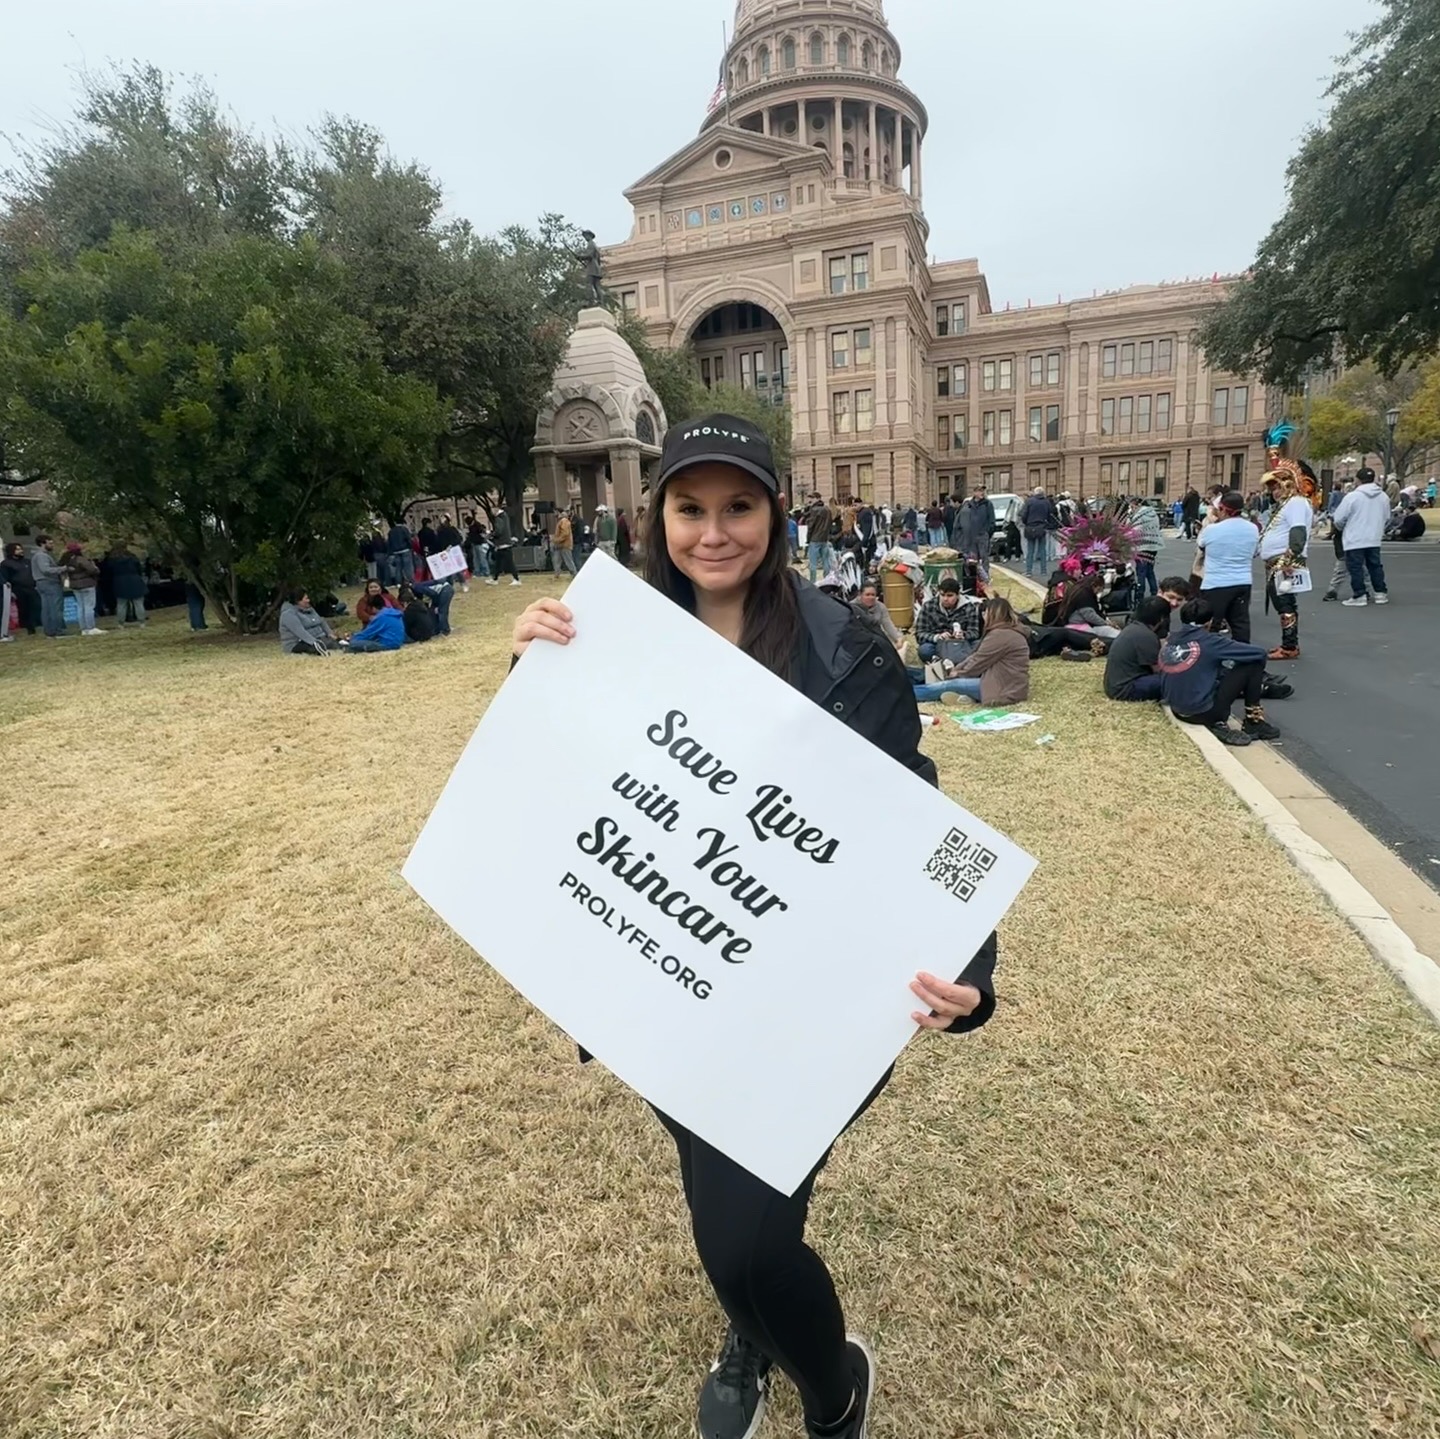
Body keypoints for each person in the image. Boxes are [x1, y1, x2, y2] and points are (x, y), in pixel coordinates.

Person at [511, 412, 997, 1439]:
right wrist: (531, 675)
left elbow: (918, 820)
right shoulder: (611, 634)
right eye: (690, 507)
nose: (713, 532)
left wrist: (975, 969)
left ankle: (833, 1393)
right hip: (668, 972)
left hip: (809, 995)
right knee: (719, 1202)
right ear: (658, 517)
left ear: (776, 514)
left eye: (739, 506)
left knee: (743, 1239)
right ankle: (752, 1327)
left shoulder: (844, 644)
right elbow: (557, 782)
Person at [1158, 597, 1280, 747]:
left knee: (1213, 665)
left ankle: (1260, 692)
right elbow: (1259, 653)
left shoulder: (1171, 639)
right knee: (1252, 663)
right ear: (1209, 622)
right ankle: (1254, 721)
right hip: (1202, 712)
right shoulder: (1211, 641)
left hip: (1177, 708)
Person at [1259, 461, 1318, 659]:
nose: (1274, 492)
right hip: (1277, 561)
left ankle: (1290, 646)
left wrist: (1289, 558)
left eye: (1276, 487)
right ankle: (1289, 644)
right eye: (1272, 488)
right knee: (1283, 602)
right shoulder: (1288, 505)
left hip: (1284, 561)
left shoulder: (1296, 503)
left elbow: (1298, 530)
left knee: (1285, 603)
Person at [926, 596, 1030, 706]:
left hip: (1002, 688)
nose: (983, 615)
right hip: (1005, 683)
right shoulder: (1007, 631)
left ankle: (912, 694)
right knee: (949, 682)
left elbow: (978, 662)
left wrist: (958, 674)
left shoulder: (1000, 635)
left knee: (947, 685)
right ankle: (965, 698)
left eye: (986, 612)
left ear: (994, 614)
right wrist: (958, 669)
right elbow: (976, 656)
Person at [1196, 492, 1258, 641]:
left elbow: (1201, 546)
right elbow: (1255, 552)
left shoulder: (1212, 530)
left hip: (1216, 582)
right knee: (1240, 622)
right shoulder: (1252, 528)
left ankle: (1210, 654)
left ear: (1223, 509)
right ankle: (1241, 655)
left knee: (1211, 623)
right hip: (1242, 581)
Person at [1332, 470, 1391, 606]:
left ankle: (1360, 594)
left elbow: (1339, 518)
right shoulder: (1383, 496)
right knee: (1375, 566)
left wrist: (1342, 528)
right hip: (1374, 537)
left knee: (1355, 567)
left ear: (1358, 480)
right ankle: (1380, 593)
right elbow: (1387, 517)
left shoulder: (1352, 497)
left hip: (1355, 537)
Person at [1103, 597, 1172, 701]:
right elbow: (1158, 669)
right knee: (1173, 680)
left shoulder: (1133, 629)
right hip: (1126, 689)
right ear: (1162, 618)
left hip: (1115, 686)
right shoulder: (1146, 636)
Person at [914, 576, 980, 662]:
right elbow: (919, 634)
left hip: (961, 644)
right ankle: (942, 662)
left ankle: (959, 660)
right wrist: (936, 637)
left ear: (958, 595)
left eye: (950, 595)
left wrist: (963, 634)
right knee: (925, 650)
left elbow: (975, 632)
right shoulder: (929, 606)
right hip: (937, 644)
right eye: (942, 595)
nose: (945, 599)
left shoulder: (968, 607)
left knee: (979, 645)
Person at [850, 578, 904, 652]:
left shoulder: (880, 607)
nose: (871, 597)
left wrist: (898, 638)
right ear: (860, 595)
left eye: (873, 595)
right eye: (867, 595)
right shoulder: (851, 607)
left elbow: (888, 624)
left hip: (875, 637)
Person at [61, 542, 104, 636]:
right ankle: (91, 627)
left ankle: (83, 629)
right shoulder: (81, 559)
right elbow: (92, 570)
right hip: (87, 584)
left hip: (75, 586)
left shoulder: (67, 561)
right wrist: (95, 568)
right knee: (89, 607)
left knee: (80, 607)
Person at [278, 590, 340, 655]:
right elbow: (301, 632)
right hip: (297, 643)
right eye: (306, 598)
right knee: (325, 646)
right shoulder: (288, 615)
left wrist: (329, 633)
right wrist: (315, 642)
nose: (308, 601)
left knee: (337, 643)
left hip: (318, 638)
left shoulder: (310, 609)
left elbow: (321, 621)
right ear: (298, 601)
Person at [30, 534, 68, 638]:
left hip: (41, 583)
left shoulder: (37, 555)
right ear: (43, 543)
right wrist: (63, 568)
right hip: (49, 583)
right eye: (50, 543)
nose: (52, 545)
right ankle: (58, 630)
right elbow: (46, 570)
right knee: (55, 607)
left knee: (47, 608)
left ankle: (50, 631)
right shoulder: (42, 556)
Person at [954, 489, 995, 581]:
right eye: (979, 491)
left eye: (983, 491)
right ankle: (975, 577)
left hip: (983, 535)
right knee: (972, 558)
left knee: (984, 557)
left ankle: (985, 577)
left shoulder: (988, 504)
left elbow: (992, 520)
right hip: (971, 536)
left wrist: (987, 532)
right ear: (975, 493)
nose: (982, 493)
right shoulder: (969, 505)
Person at [1, 541, 40, 636]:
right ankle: (28, 627)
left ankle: (36, 624)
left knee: (36, 606)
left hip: (31, 587)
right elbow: (4, 577)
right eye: (17, 549)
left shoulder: (27, 561)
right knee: (24, 608)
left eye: (21, 549)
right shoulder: (6, 564)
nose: (20, 551)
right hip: (18, 589)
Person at [1019, 487, 1057, 579]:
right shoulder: (1046, 502)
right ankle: (1043, 570)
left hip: (1030, 526)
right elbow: (1050, 515)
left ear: (1035, 493)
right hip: (1042, 527)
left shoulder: (1029, 501)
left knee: (1030, 550)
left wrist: (1026, 523)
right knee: (1042, 550)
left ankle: (1029, 571)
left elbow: (1023, 515)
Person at [1128, 500, 1162, 598]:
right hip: (1153, 545)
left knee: (1141, 571)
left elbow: (1135, 530)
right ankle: (1154, 591)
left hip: (1141, 545)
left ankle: (1140, 594)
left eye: (1132, 506)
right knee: (1150, 570)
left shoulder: (1139, 515)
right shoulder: (1153, 513)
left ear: (1137, 505)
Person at [805, 494, 835, 582]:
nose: (811, 500)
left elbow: (811, 525)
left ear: (817, 499)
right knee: (826, 562)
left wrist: (808, 538)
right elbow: (829, 523)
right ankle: (827, 580)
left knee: (813, 563)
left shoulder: (814, 510)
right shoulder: (827, 510)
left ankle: (812, 582)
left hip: (815, 538)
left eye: (812, 498)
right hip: (824, 538)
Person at [489, 507, 521, 586]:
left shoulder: (499, 519)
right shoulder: (505, 516)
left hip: (503, 543)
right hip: (505, 543)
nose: (491, 513)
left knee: (509, 563)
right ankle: (495, 579)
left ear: (495, 511)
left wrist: (492, 535)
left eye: (492, 511)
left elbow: (499, 531)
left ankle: (516, 579)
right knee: (499, 563)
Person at [386, 518, 416, 584]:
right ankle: (410, 581)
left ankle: (398, 582)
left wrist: (390, 553)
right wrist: (411, 548)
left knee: (398, 568)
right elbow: (408, 539)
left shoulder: (391, 531)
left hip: (396, 552)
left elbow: (389, 543)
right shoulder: (404, 529)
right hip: (405, 550)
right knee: (408, 567)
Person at [552, 508, 577, 576]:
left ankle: (574, 574)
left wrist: (556, 540)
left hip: (565, 545)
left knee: (568, 561)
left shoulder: (564, 521)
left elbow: (565, 533)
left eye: (554, 512)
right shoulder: (561, 521)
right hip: (560, 545)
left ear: (558, 512)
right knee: (556, 561)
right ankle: (557, 574)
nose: (554, 514)